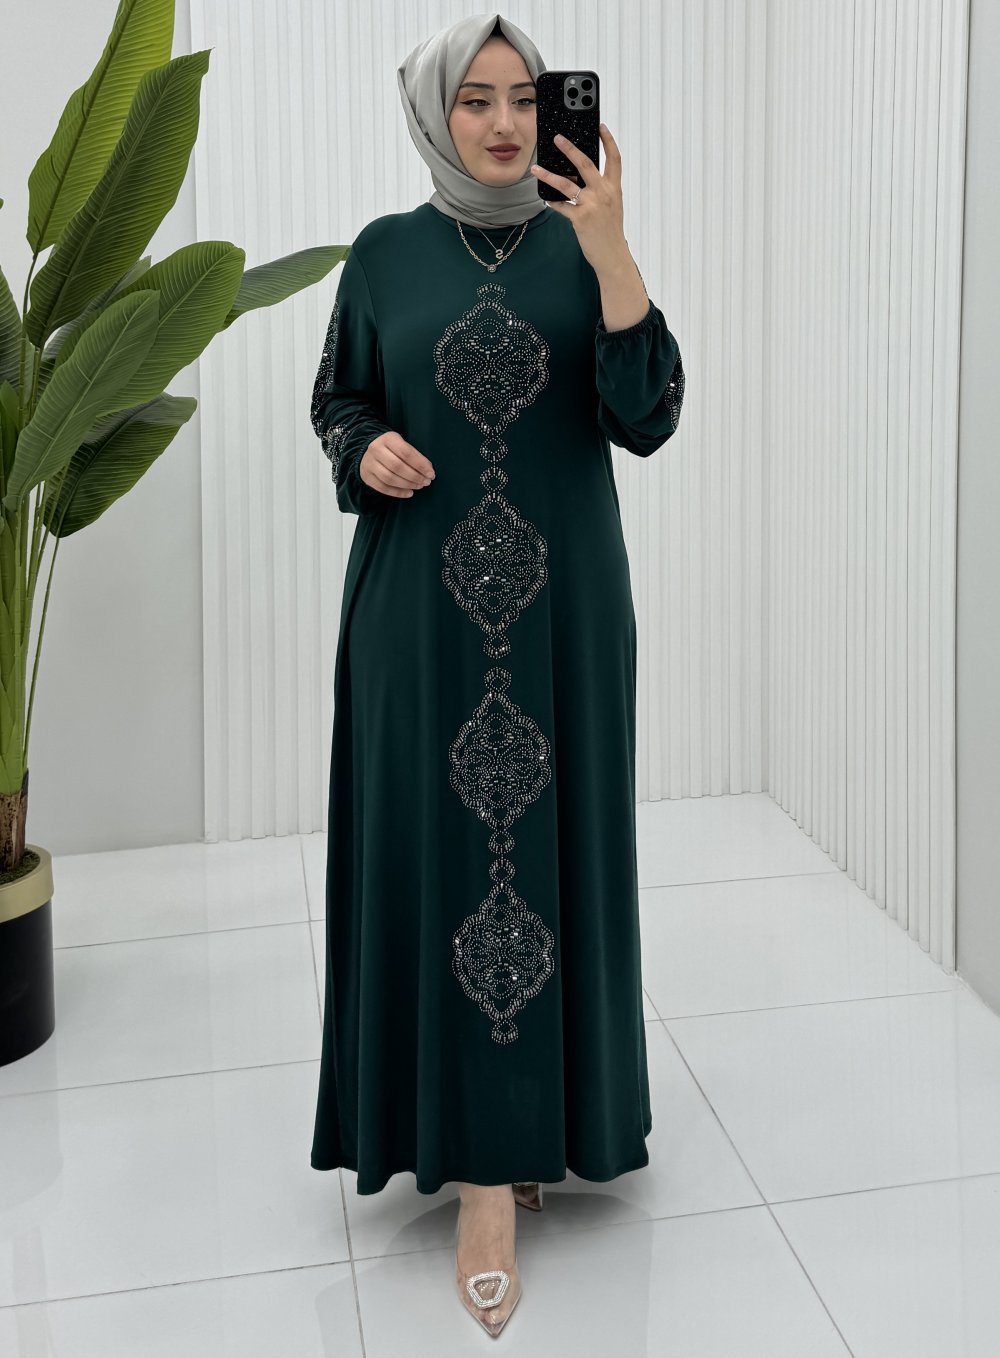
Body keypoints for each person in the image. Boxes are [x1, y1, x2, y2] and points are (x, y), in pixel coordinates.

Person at [309, 11, 685, 1338]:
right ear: (436, 113)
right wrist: (363, 450)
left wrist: (615, 249)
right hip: (416, 620)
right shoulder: (382, 254)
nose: (506, 122)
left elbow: (648, 414)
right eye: (476, 99)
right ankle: (478, 1176)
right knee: (438, 859)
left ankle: (538, 1129)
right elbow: (338, 400)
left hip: (562, 618)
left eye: (524, 97)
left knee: (547, 862)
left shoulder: (585, 245)